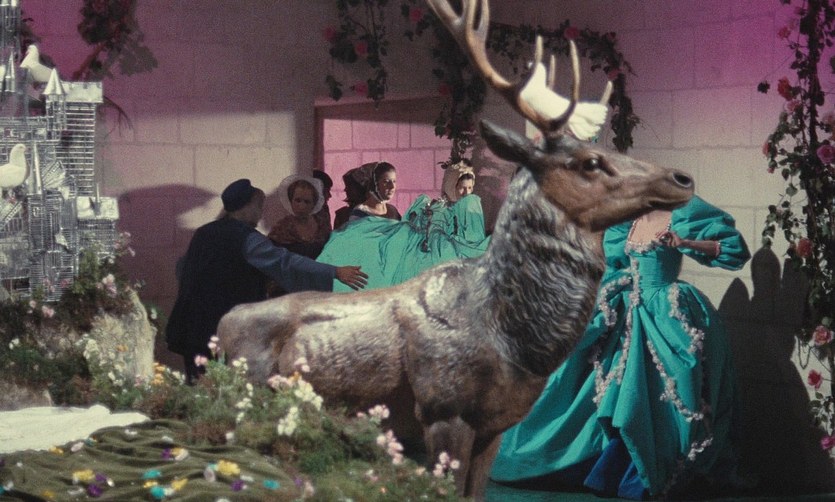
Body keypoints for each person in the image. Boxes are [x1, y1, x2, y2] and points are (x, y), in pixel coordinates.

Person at [490, 196, 751, 499]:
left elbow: (733, 251)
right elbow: (614, 263)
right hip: (629, 308)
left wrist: (685, 243)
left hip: (667, 311)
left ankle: (647, 468)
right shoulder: (627, 219)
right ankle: (599, 464)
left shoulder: (682, 213)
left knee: (668, 386)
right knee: (604, 383)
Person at [165, 178, 368, 384]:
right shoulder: (247, 238)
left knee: (198, 386)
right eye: (259, 207)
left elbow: (183, 269)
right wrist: (334, 272)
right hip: (225, 329)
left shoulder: (204, 232)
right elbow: (285, 262)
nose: (261, 214)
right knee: (226, 388)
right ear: (247, 207)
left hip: (193, 327)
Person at [318, 160, 489, 291]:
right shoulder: (433, 208)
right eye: (386, 182)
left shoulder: (394, 210)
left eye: (470, 188)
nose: (466, 193)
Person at [268, 175, 330, 259]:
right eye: (297, 200)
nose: (301, 206)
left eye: (307, 202)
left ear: (314, 204)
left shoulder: (322, 224)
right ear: (291, 201)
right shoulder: (281, 228)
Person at [333, 164, 372, 230]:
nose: (345, 189)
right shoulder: (342, 215)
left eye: (349, 186)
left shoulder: (380, 213)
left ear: (360, 188)